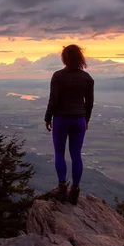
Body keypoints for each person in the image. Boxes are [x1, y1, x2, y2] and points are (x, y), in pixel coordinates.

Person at [44, 44, 94, 205]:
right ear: (80, 58)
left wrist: (48, 117)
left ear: (64, 58)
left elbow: (53, 100)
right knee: (76, 154)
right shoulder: (87, 78)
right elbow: (90, 103)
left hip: (61, 119)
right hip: (79, 119)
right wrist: (86, 120)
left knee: (59, 153)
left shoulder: (58, 76)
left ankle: (61, 188)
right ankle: (75, 190)